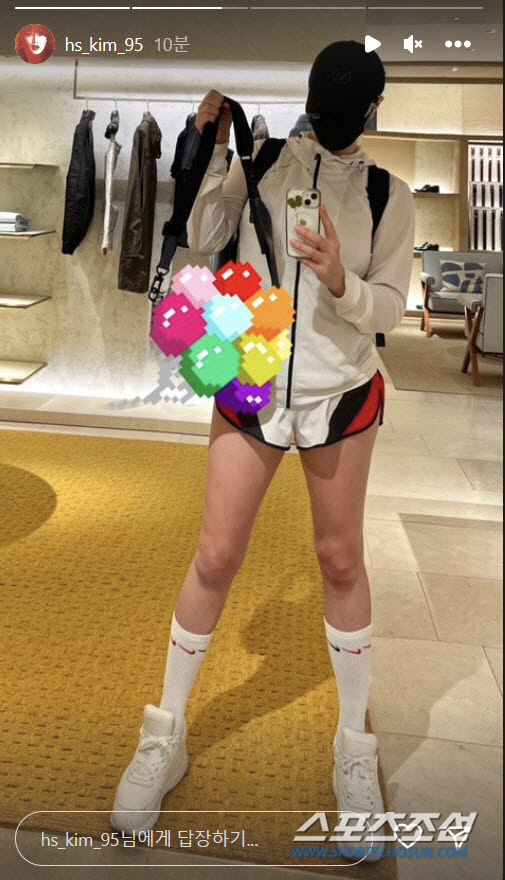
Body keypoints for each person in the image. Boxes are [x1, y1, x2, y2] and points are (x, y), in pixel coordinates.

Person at [111, 41, 415, 861]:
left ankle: (353, 749)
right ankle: (164, 733)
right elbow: (201, 233)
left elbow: (390, 306)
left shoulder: (388, 194)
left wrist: (340, 277)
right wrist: (211, 150)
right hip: (251, 379)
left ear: (370, 110)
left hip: (340, 393)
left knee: (340, 560)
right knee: (214, 555)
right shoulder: (265, 160)